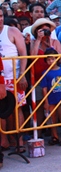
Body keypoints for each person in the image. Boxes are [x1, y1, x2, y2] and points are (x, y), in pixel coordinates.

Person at [0, 9, 28, 153]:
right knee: (2, 111)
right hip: (1, 79)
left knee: (17, 109)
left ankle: (19, 141)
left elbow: (23, 53)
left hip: (14, 77)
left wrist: (22, 74)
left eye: (0, 16)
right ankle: (4, 140)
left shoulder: (12, 31)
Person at [41, 48, 61, 146]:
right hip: (51, 99)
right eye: (48, 59)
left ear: (57, 58)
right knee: (52, 118)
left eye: (53, 59)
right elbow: (44, 88)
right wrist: (46, 101)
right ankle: (55, 136)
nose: (51, 61)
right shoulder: (45, 73)